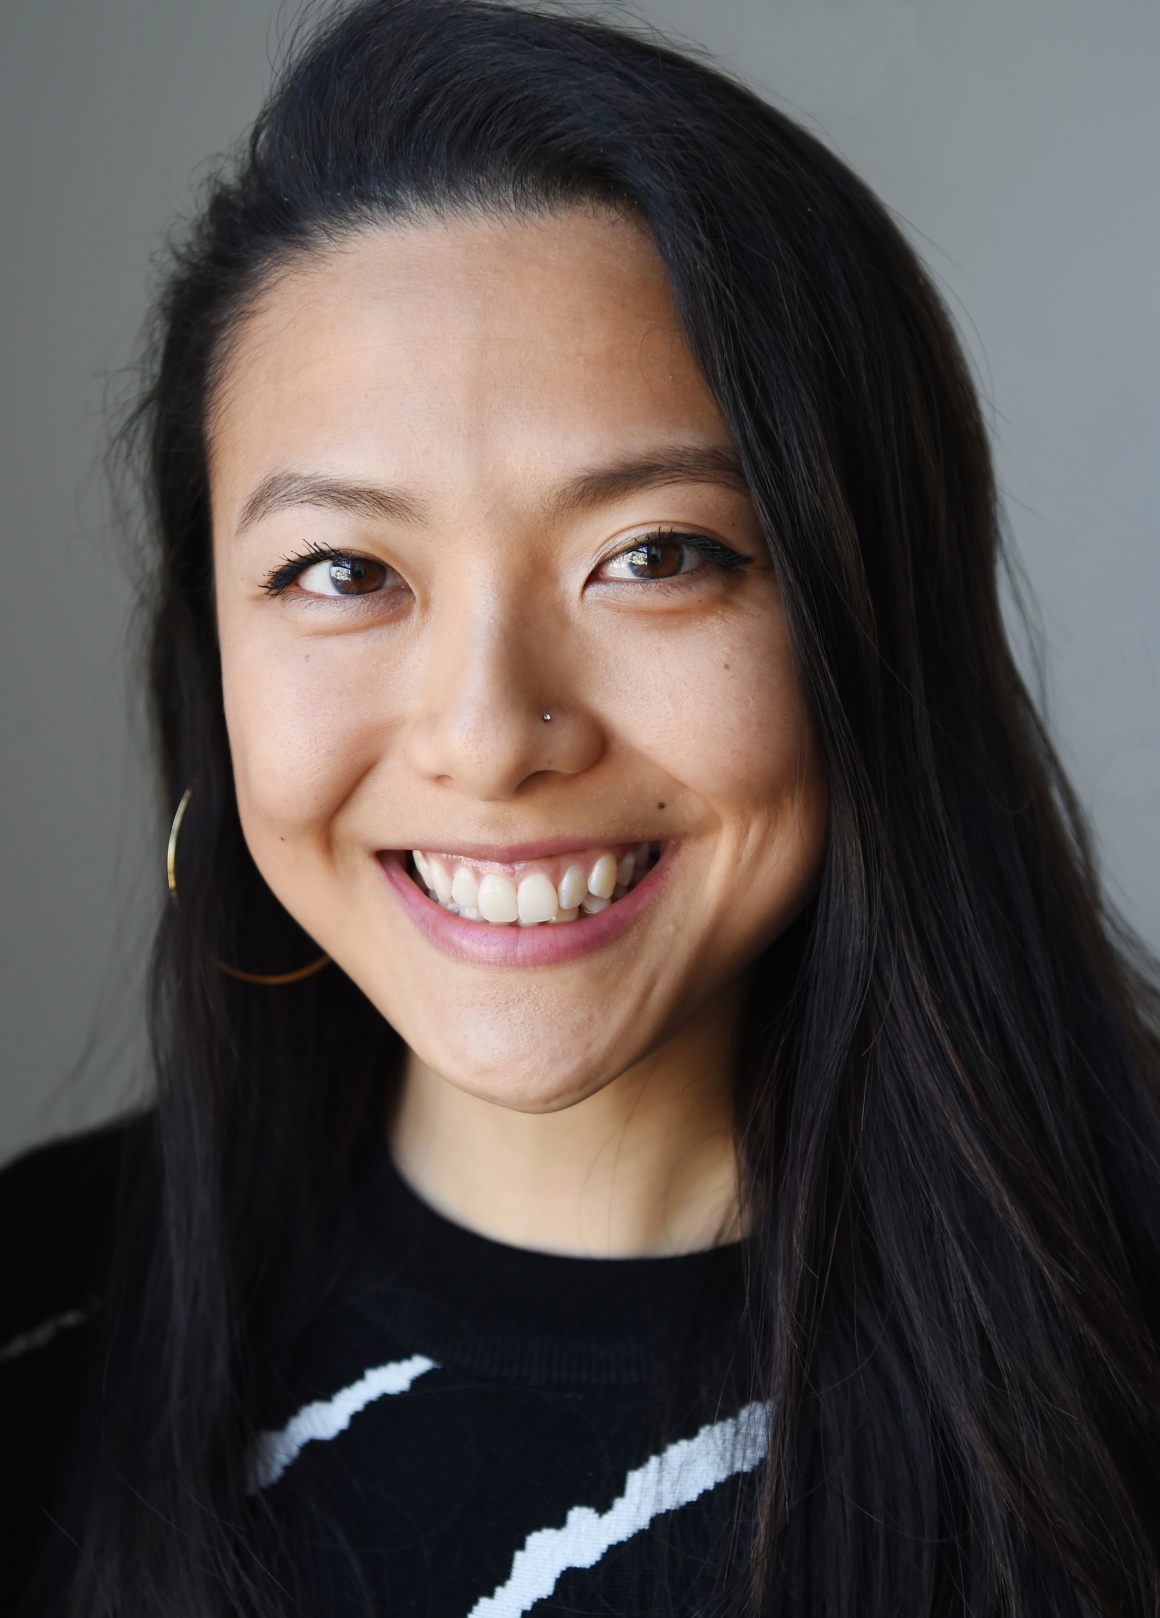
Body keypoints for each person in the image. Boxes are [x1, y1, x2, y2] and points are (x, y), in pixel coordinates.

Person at [3, 1, 1160, 1613]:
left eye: (657, 555)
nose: (488, 737)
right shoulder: (37, 1325)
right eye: (344, 571)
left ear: (866, 614)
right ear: (216, 654)